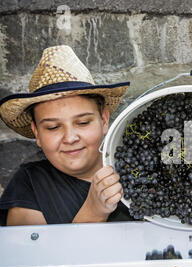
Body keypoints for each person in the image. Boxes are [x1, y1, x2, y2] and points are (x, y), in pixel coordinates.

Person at [0, 45, 134, 225]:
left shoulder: (140, 171)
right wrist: (93, 212)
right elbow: (32, 253)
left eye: (83, 122)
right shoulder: (30, 185)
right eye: (53, 127)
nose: (70, 138)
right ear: (36, 133)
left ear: (103, 121)